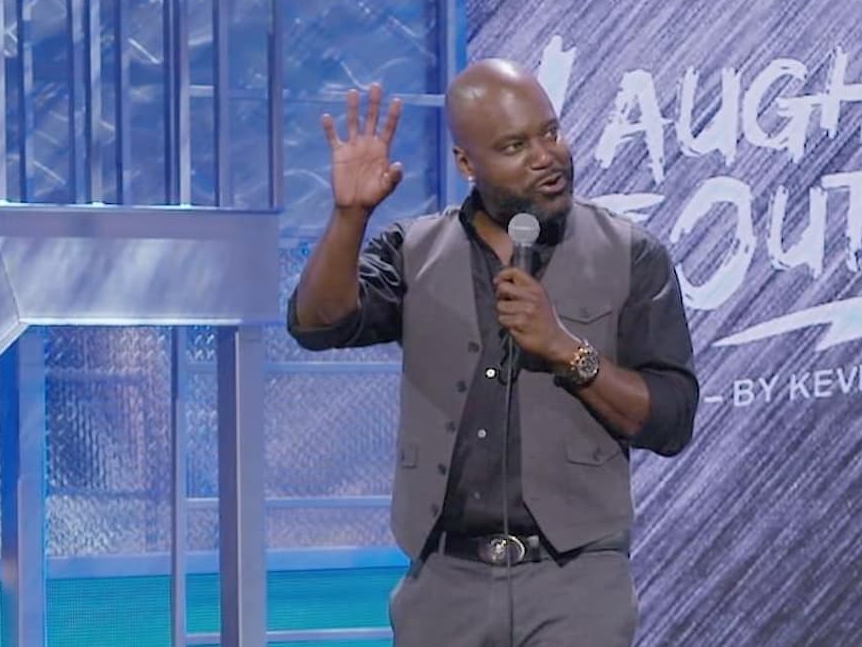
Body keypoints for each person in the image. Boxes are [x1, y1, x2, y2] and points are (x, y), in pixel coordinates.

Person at [284, 59, 699, 646]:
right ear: (466, 163)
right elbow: (317, 324)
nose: (546, 157)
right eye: (514, 146)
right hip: (444, 583)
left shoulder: (631, 255)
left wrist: (566, 350)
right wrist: (351, 216)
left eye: (550, 133)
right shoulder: (414, 251)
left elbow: (672, 418)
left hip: (575, 583)